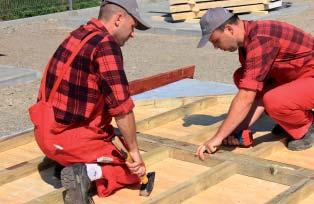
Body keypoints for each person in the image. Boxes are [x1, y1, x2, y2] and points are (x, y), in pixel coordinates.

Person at [29, 0, 150, 203]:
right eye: (133, 26)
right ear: (119, 19)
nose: (133, 33)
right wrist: (134, 152)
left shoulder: (80, 33)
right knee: (130, 172)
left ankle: (68, 163)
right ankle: (85, 172)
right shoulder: (106, 45)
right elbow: (122, 109)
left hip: (45, 131)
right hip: (68, 139)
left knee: (108, 137)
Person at [195, 7, 314, 160]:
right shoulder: (247, 43)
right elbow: (257, 96)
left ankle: (307, 125)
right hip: (302, 75)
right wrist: (237, 130)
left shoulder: (261, 40)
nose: (216, 47)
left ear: (229, 29)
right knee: (242, 76)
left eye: (216, 41)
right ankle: (289, 119)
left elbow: (247, 97)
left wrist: (217, 138)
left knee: (274, 101)